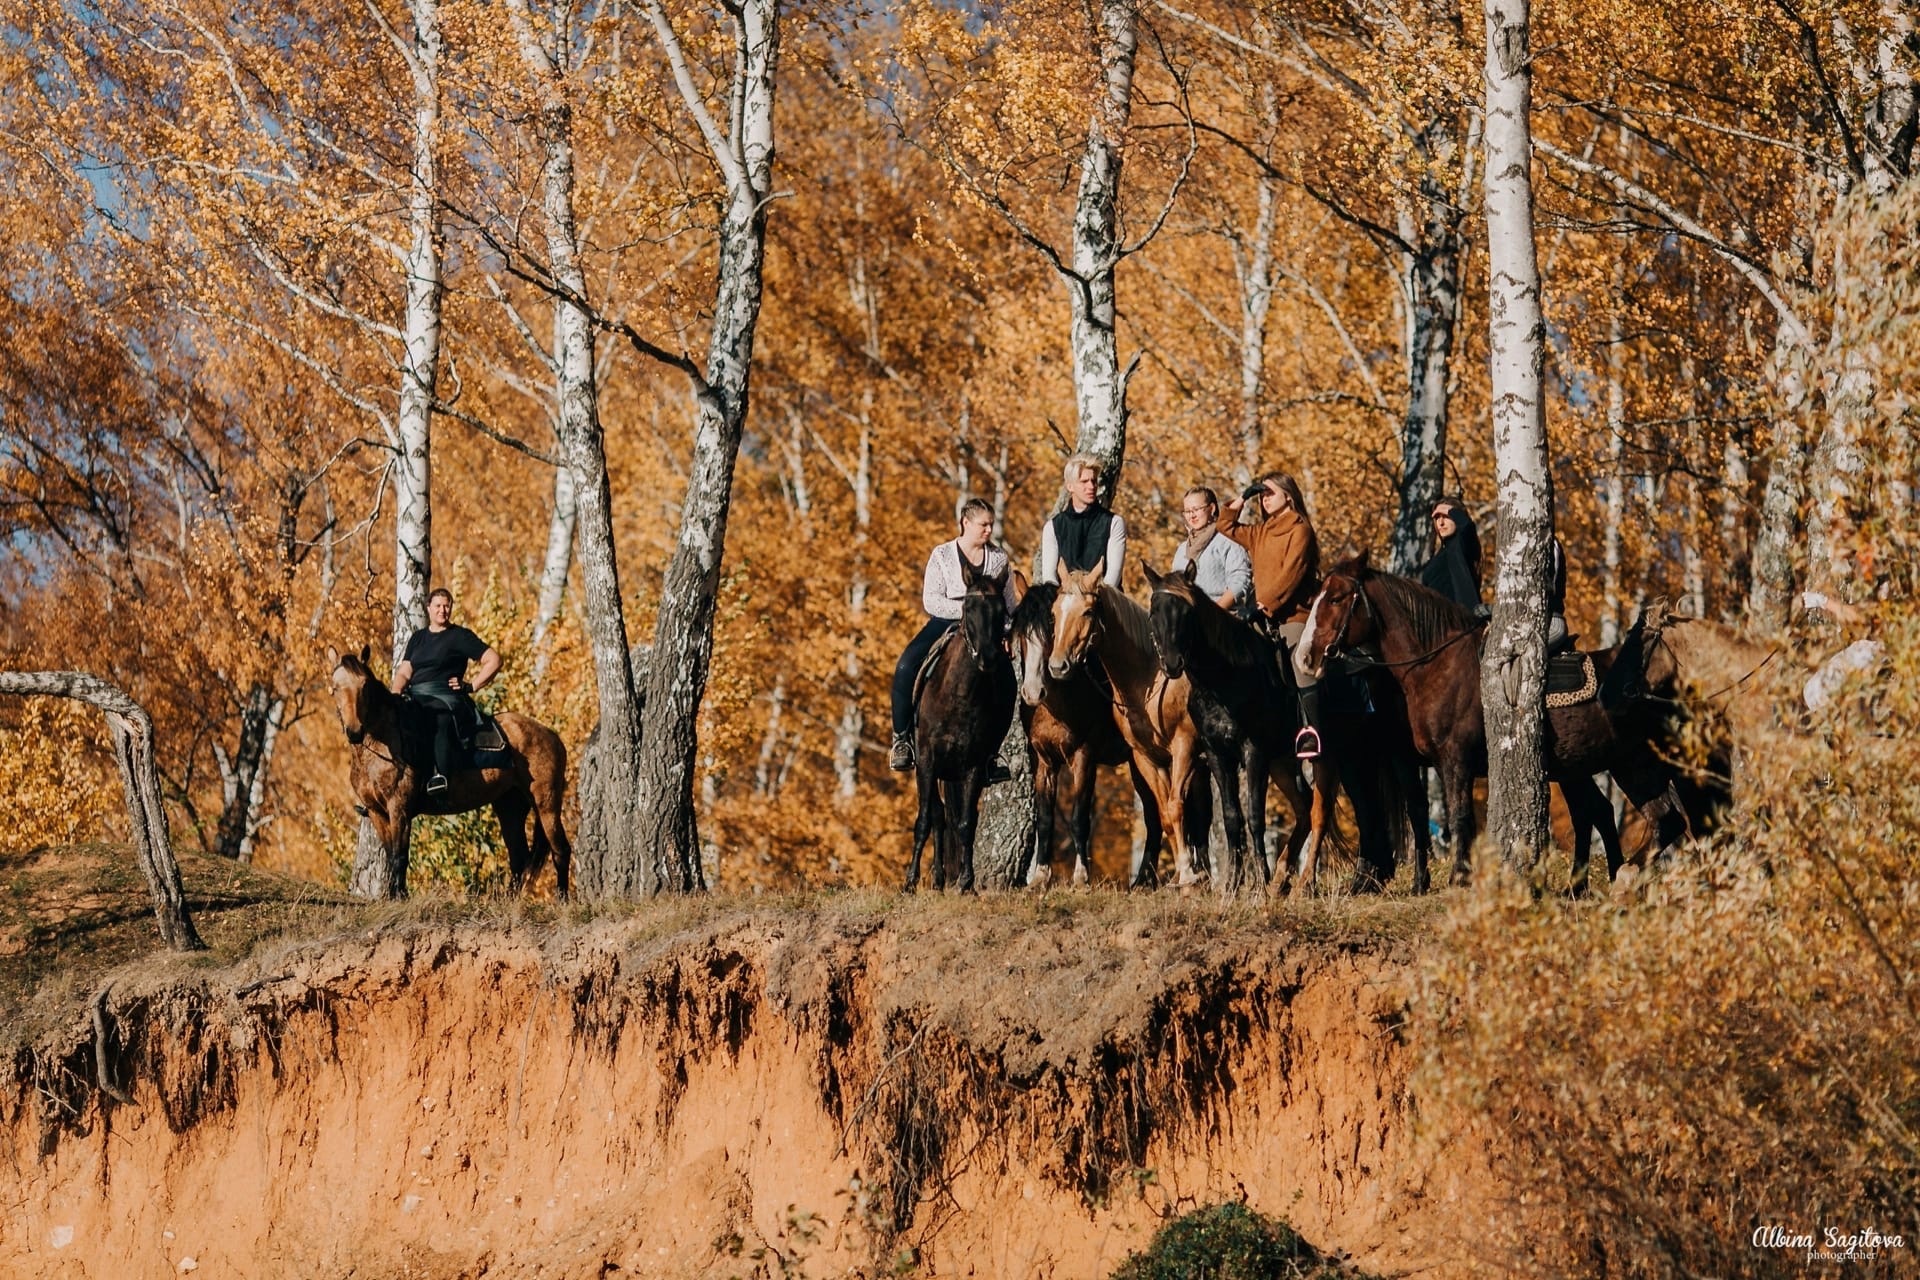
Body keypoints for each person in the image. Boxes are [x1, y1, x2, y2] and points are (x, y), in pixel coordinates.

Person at [889, 498, 1018, 772]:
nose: (988, 531)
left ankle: (992, 755)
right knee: (905, 665)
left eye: (991, 525)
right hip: (946, 621)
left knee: (1008, 680)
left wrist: (1006, 632)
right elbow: (931, 600)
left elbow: (1009, 606)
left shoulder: (998, 559)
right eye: (983, 525)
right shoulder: (942, 555)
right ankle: (902, 739)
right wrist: (968, 610)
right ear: (966, 523)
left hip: (988, 629)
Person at [1219, 473, 1325, 758]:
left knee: (1301, 665)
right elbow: (1224, 525)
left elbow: (1291, 575)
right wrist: (1242, 498)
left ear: (1288, 496)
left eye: (1269, 493)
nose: (1264, 499)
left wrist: (1264, 604)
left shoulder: (1300, 530)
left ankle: (1313, 732)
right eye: (1261, 494)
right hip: (1262, 616)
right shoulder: (1261, 531)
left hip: (1293, 615)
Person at [392, 587, 502, 794]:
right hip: (415, 695)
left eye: (446, 606)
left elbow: (493, 660)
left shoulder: (459, 636)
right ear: (428, 608)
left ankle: (438, 776)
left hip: (446, 699)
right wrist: (396, 694)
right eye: (438, 606)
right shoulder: (417, 638)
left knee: (438, 718)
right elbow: (405, 672)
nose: (442, 610)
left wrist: (472, 686)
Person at [1039, 454, 1127, 587]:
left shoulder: (1114, 523)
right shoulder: (1052, 527)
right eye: (1084, 481)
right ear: (1070, 486)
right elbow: (1050, 579)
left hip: (1104, 603)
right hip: (1066, 602)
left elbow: (1112, 580)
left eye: (1094, 481)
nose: (1091, 486)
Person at [1170, 485, 1252, 615]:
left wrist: (1212, 612)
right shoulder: (1181, 550)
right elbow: (1174, 588)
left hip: (1225, 618)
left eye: (1196, 509)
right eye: (1187, 511)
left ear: (1212, 508)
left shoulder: (1228, 540)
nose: (1192, 516)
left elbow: (1240, 581)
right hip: (1189, 621)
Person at [1418, 498, 1484, 612]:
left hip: (1461, 622)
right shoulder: (1439, 553)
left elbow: (1467, 526)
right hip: (1436, 622)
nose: (1441, 522)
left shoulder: (1462, 544)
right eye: (1437, 517)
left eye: (1446, 516)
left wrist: (1450, 510)